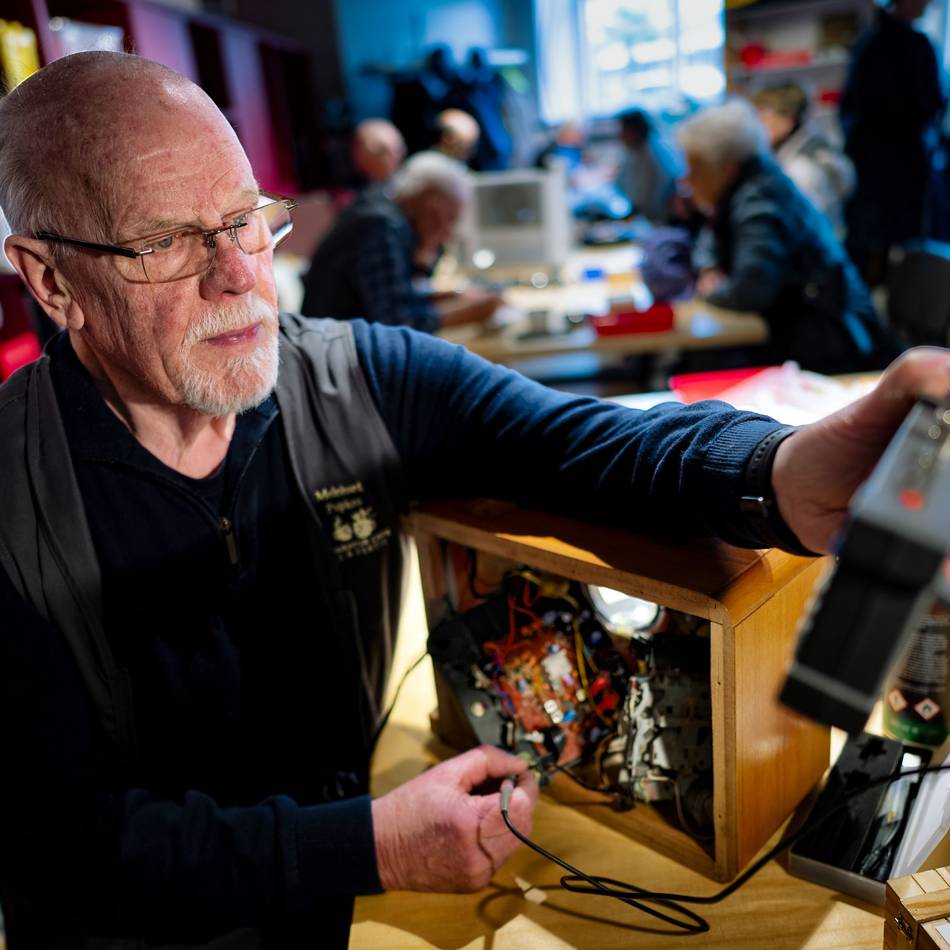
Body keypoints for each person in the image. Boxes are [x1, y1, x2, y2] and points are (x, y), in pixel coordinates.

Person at [0, 50, 945, 950]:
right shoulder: (11, 495)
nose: (243, 275)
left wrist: (784, 473)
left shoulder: (357, 377)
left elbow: (579, 438)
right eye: (166, 242)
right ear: (50, 279)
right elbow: (55, 849)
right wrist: (370, 844)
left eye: (247, 218)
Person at [678, 99, 900, 374]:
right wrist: (710, 268)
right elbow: (708, 243)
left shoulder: (759, 199)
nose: (686, 180)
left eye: (695, 168)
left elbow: (750, 290)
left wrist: (712, 290)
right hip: (804, 333)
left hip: (830, 346)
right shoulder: (746, 187)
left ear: (726, 167)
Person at [301, 150, 500, 331]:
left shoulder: (383, 208)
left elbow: (401, 295)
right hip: (336, 357)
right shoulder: (380, 225)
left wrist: (454, 295)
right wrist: (475, 310)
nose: (449, 232)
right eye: (450, 218)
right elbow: (397, 324)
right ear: (432, 206)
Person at [840, 0, 944, 285]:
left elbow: (848, 108)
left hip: (871, 162)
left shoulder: (869, 41)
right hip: (899, 164)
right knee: (899, 246)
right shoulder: (910, 44)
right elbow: (931, 103)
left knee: (874, 246)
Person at [752, 82, 854, 230]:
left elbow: (805, 227)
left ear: (787, 120)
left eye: (764, 116)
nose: (757, 124)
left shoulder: (800, 170)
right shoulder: (818, 146)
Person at [615, 108, 683, 223]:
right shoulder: (636, 151)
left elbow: (643, 197)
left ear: (635, 130)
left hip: (662, 220)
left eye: (623, 130)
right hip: (650, 218)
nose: (620, 135)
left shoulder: (654, 152)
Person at [351, 118, 406, 187]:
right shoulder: (355, 193)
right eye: (383, 150)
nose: (397, 155)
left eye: (399, 148)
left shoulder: (409, 186)